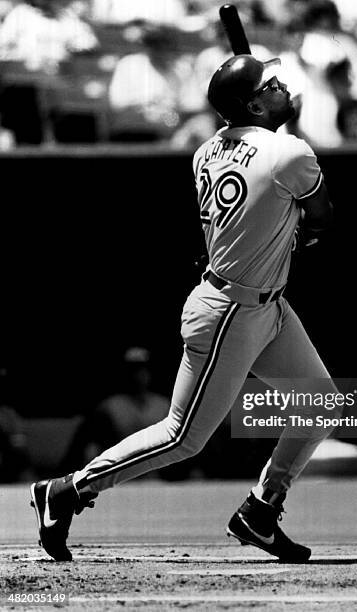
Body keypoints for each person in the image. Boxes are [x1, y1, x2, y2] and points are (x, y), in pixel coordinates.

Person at [30, 52, 338, 563]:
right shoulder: (290, 153)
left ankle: (261, 509)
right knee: (182, 437)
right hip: (230, 312)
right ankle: (66, 490)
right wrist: (298, 225)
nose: (282, 85)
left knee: (319, 404)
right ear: (251, 103)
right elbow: (322, 220)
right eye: (271, 84)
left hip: (264, 305)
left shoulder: (205, 151)